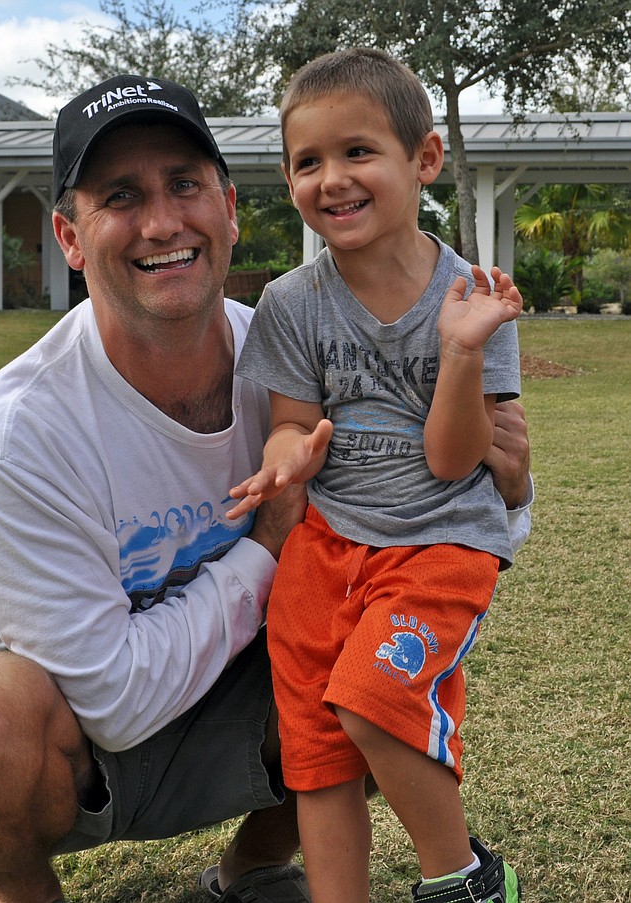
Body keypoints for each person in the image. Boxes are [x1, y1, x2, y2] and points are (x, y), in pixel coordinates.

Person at [0, 73, 533, 903]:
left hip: (240, 686)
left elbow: (431, 512)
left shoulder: (296, 354)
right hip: (77, 731)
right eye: (121, 196)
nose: (163, 222)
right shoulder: (10, 434)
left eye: (185, 185)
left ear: (230, 208)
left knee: (375, 664)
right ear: (70, 236)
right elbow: (112, 703)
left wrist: (509, 487)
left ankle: (252, 869)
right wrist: (268, 541)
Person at [227, 49, 526, 903]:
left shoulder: (473, 296)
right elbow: (292, 424)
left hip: (437, 542)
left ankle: (465, 880)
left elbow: (454, 459)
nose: (333, 179)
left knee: (369, 696)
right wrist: (285, 456)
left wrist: (460, 352)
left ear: (424, 159)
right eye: (307, 161)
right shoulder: (291, 302)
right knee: (316, 750)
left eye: (358, 151)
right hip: (324, 548)